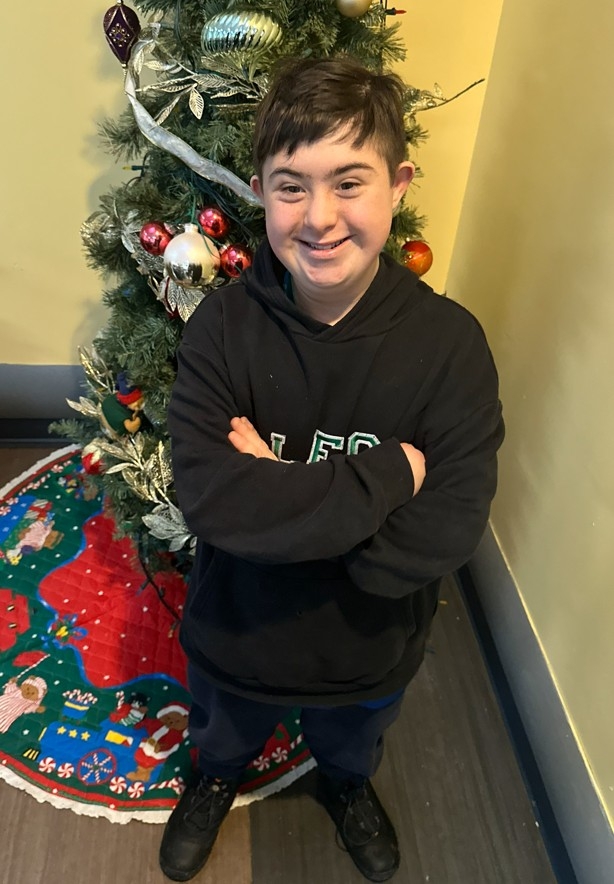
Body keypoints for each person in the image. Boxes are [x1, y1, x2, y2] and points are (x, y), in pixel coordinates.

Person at [163, 56, 504, 883]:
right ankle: (212, 778)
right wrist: (388, 479)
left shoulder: (450, 349)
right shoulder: (220, 333)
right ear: (259, 192)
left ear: (397, 182)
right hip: (237, 637)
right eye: (291, 186)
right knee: (223, 731)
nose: (319, 218)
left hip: (370, 647)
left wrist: (273, 503)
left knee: (353, 739)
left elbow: (443, 534)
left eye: (349, 182)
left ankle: (344, 786)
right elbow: (212, 500)